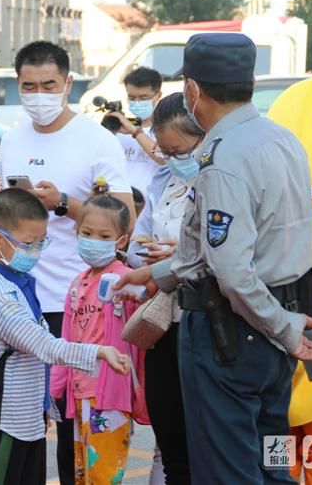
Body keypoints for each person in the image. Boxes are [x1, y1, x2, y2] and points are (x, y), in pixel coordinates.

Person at [114, 33, 312, 484]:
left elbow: (230, 270)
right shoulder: (280, 138)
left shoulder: (225, 156)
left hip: (234, 332)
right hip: (274, 322)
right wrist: (157, 272)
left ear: (192, 90)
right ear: (249, 81)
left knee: (228, 472)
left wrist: (283, 330)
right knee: (271, 466)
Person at [0, 40, 135, 485]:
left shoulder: (96, 139)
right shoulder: (12, 138)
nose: (38, 94)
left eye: (48, 84)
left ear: (69, 83)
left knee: (74, 422)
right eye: (29, 85)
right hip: (17, 303)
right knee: (19, 421)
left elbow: (125, 215)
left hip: (74, 306)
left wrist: (63, 204)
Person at [0, 188, 131, 485]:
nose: (36, 251)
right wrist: (98, 352)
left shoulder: (15, 280)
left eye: (42, 242)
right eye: (29, 244)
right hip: (6, 420)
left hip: (26, 418)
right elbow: (39, 343)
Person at [126, 92, 204, 484]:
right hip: (163, 323)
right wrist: (148, 258)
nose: (174, 159)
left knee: (207, 444)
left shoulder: (224, 180)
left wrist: (183, 255)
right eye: (166, 150)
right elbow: (138, 246)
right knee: (169, 434)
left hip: (205, 322)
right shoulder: (163, 181)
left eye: (181, 149)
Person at [51, 194, 141, 485]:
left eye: (104, 235)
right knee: (83, 472)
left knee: (104, 475)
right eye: (86, 233)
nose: (93, 240)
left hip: (110, 395)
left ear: (122, 241)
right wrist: (56, 388)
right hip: (79, 391)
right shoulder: (78, 283)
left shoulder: (128, 280)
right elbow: (66, 337)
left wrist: (136, 294)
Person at [106, 67, 164, 194]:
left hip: (151, 206)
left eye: (143, 98)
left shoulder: (166, 128)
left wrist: (135, 132)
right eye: (132, 98)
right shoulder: (120, 128)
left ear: (158, 95)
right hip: (120, 204)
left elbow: (164, 158)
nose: (137, 103)